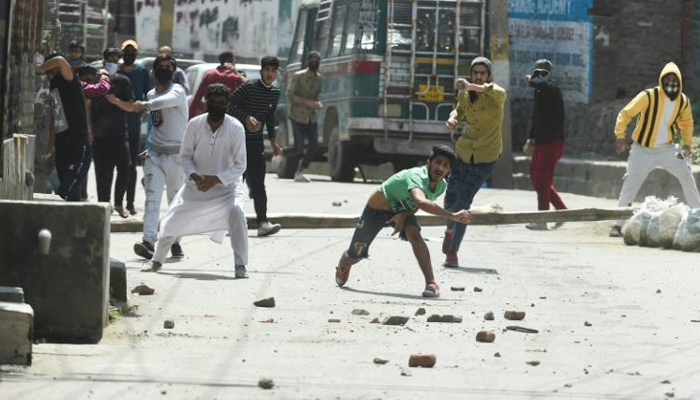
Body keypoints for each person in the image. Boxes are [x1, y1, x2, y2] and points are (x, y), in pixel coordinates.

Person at [142, 84, 249, 277]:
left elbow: (241, 165)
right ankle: (157, 260)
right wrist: (194, 175)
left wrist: (217, 179)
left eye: (221, 102)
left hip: (227, 188)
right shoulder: (195, 124)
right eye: (213, 101)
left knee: (237, 212)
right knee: (172, 217)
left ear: (228, 105)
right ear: (206, 102)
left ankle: (240, 264)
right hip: (196, 186)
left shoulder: (236, 127)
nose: (217, 105)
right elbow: (185, 156)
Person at [335, 145, 470, 298]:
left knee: (415, 234)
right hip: (376, 211)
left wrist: (404, 215)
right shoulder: (417, 176)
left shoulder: (441, 186)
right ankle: (345, 262)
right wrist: (452, 216)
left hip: (401, 210)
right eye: (438, 162)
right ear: (429, 163)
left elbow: (414, 204)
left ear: (449, 170)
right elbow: (420, 201)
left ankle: (431, 283)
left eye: (445, 165)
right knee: (356, 255)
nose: (440, 168)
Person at [108, 54, 188, 259]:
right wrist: (150, 145)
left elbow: (164, 103)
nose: (164, 69)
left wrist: (142, 105)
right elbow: (157, 123)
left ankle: (175, 240)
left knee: (175, 201)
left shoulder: (177, 91)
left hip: (176, 157)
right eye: (161, 66)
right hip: (155, 155)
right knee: (152, 200)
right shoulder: (151, 93)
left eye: (168, 67)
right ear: (153, 71)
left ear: (174, 71)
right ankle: (148, 241)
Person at [609, 62, 700, 237]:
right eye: (668, 79)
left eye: (675, 80)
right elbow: (626, 113)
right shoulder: (649, 96)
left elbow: (687, 123)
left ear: (680, 82)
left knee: (686, 176)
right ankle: (618, 225)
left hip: (668, 149)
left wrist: (687, 144)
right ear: (661, 80)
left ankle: (697, 217)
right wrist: (620, 135)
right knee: (630, 184)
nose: (672, 83)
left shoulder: (683, 101)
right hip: (642, 150)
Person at [443, 56, 507, 267]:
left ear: (488, 76)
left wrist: (469, 85)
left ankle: (453, 251)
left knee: (463, 203)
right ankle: (449, 230)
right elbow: (460, 109)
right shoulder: (464, 93)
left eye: (483, 73)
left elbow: (490, 90)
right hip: (464, 152)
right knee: (450, 199)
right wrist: (453, 118)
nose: (479, 77)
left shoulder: (497, 94)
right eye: (475, 73)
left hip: (485, 156)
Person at [228, 55, 283, 237]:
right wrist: (245, 117)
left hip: (256, 144)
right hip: (238, 142)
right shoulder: (249, 87)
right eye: (266, 70)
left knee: (259, 185)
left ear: (276, 73)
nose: (269, 74)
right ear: (261, 71)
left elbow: (270, 117)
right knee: (236, 184)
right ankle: (230, 224)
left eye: (273, 71)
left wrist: (273, 141)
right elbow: (228, 104)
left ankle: (263, 223)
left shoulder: (275, 93)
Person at [78, 48, 133, 217]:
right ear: (103, 61)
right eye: (110, 60)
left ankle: (119, 204)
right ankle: (103, 206)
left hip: (119, 133)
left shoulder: (124, 81)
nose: (113, 63)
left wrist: (116, 101)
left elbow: (130, 106)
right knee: (102, 172)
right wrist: (89, 129)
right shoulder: (96, 81)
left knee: (125, 168)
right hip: (99, 134)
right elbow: (87, 105)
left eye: (116, 60)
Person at [36, 53, 92, 201]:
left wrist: (39, 68)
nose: (51, 75)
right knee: (71, 197)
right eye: (49, 72)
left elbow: (60, 60)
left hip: (78, 146)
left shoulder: (69, 81)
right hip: (62, 148)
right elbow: (55, 121)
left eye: (53, 71)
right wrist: (48, 151)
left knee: (64, 192)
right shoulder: (53, 88)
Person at [522, 59, 567, 230]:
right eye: (537, 72)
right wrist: (531, 138)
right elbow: (536, 117)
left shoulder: (552, 88)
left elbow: (545, 86)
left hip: (552, 142)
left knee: (542, 181)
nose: (539, 75)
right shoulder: (539, 91)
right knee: (536, 177)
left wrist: (532, 81)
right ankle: (562, 211)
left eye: (542, 72)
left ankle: (542, 220)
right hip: (541, 142)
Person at [118, 39, 152, 216]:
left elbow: (149, 93)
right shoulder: (115, 71)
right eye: (127, 51)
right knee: (115, 165)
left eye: (132, 51)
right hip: (114, 124)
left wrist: (146, 109)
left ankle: (130, 203)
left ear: (136, 54)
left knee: (131, 164)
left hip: (133, 124)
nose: (129, 54)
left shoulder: (142, 72)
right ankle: (115, 202)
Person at [281, 51, 322, 183]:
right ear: (308, 62)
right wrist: (307, 102)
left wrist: (317, 104)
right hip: (297, 117)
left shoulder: (319, 79)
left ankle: (300, 172)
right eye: (312, 61)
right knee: (298, 148)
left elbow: (316, 97)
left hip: (311, 118)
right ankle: (279, 153)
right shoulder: (298, 76)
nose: (314, 63)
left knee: (313, 147)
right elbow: (289, 95)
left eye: (316, 61)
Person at [189, 51, 246, 119]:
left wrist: (191, 116)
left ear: (220, 61)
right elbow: (248, 89)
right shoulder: (237, 78)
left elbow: (197, 99)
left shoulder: (209, 75)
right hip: (230, 117)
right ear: (233, 61)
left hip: (210, 116)